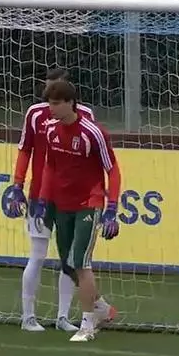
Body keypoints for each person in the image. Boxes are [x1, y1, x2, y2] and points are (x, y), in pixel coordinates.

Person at [2, 69, 116, 333]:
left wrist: (110, 205)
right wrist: (19, 185)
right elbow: (26, 151)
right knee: (39, 255)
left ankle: (65, 317)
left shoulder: (87, 120)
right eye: (48, 91)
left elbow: (100, 162)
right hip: (41, 195)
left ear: (68, 96)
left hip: (77, 199)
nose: (50, 99)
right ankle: (28, 317)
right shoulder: (36, 115)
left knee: (73, 261)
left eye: (57, 93)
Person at [39, 80, 121, 342]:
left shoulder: (92, 132)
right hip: (62, 204)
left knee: (81, 262)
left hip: (90, 202)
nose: (50, 109)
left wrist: (112, 208)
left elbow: (113, 169)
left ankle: (87, 325)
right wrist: (43, 200)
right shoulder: (50, 130)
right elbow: (50, 167)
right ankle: (101, 308)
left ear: (69, 103)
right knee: (67, 264)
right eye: (49, 103)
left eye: (55, 104)